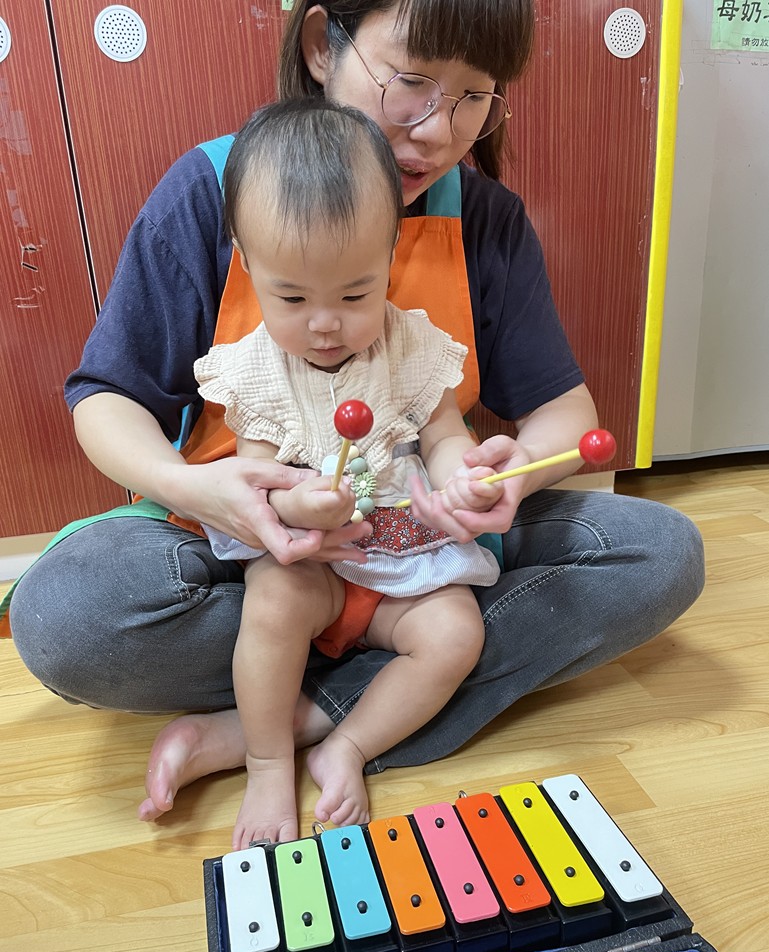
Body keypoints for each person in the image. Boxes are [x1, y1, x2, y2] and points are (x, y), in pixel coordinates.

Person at [6, 1, 704, 832]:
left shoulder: (482, 223)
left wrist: (503, 477)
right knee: (67, 617)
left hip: (416, 538)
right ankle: (343, 695)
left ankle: (286, 722)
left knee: (660, 553)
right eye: (410, 82)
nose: (438, 130)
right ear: (319, 46)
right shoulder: (210, 191)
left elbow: (552, 415)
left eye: (473, 96)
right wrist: (200, 490)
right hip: (244, 547)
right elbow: (106, 398)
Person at [195, 99, 506, 848]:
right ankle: (267, 761)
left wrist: (462, 476)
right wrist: (298, 504)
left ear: (390, 252)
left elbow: (444, 434)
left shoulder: (412, 347)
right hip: (313, 571)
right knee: (271, 603)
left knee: (456, 634)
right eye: (293, 297)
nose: (325, 322)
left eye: (355, 294)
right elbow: (256, 480)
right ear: (247, 262)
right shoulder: (257, 369)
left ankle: (348, 744)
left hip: (403, 562)